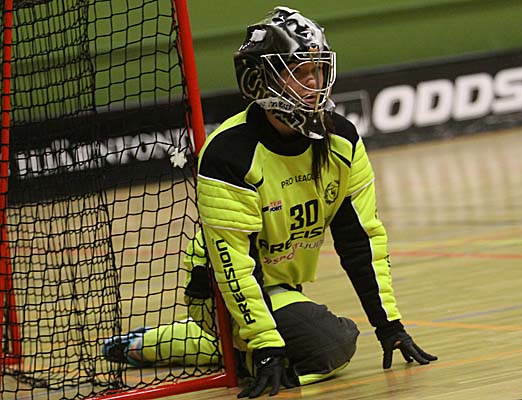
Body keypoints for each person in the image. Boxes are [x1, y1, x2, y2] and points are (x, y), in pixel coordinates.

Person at [102, 6, 437, 398]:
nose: (313, 83)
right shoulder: (229, 154)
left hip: (281, 286)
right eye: (299, 72)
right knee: (333, 345)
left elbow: (361, 241)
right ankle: (226, 341)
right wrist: (266, 348)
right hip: (219, 290)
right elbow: (234, 265)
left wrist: (389, 325)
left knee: (320, 337)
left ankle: (172, 344)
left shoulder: (342, 140)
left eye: (318, 70)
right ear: (261, 80)